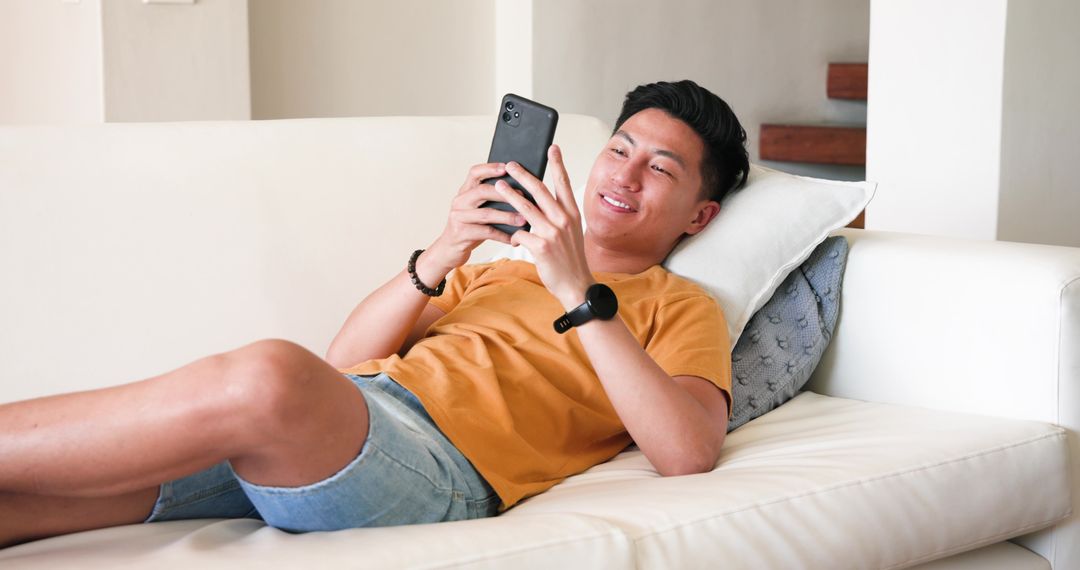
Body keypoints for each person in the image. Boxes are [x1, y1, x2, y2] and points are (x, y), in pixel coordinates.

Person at [0, 79, 749, 547]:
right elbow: (342, 365)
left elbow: (685, 450)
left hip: (442, 468)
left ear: (698, 214)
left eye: (661, 168)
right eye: (621, 149)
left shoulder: (681, 306)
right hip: (357, 421)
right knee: (51, 504)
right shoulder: (498, 270)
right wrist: (448, 247)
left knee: (268, 375)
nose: (625, 173)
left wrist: (574, 289)